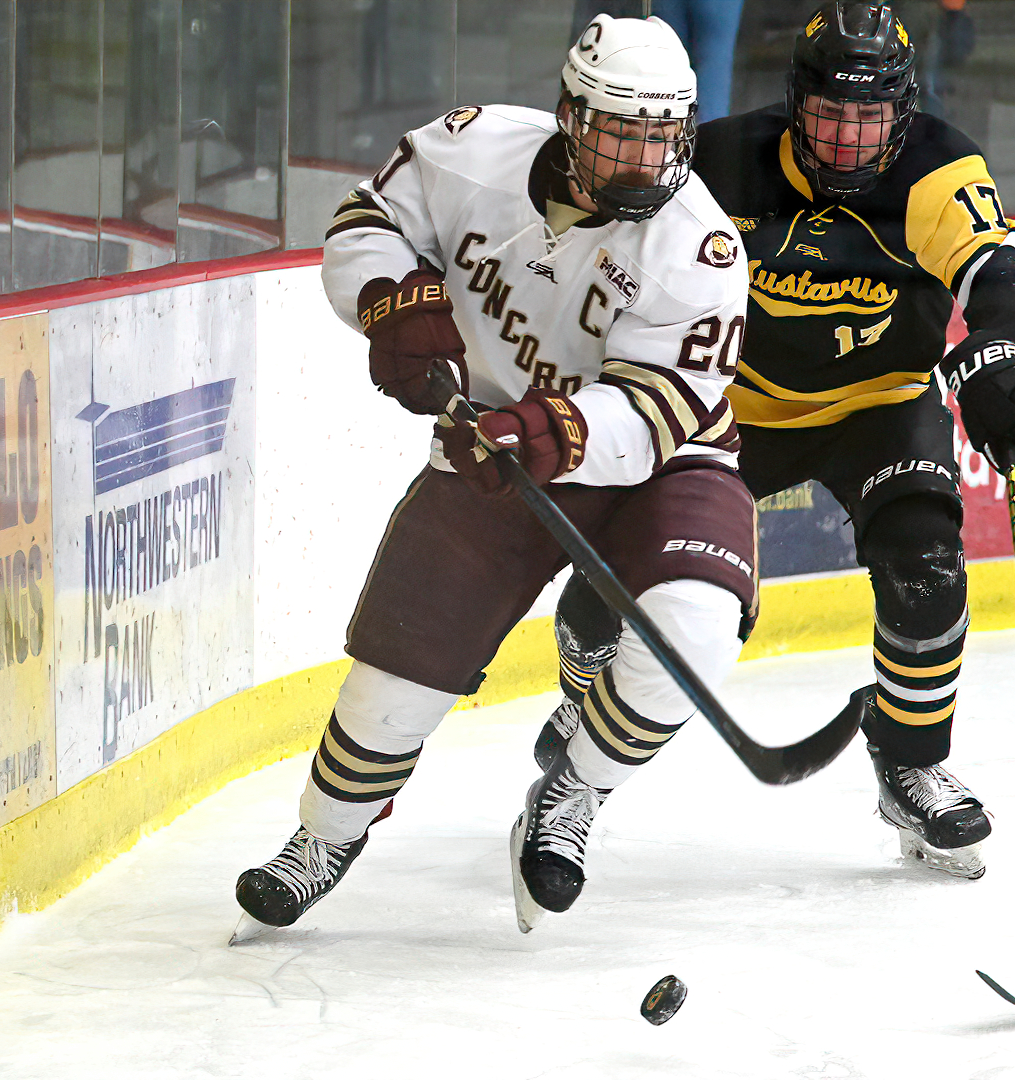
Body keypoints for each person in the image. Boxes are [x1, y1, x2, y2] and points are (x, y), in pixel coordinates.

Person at [235, 15, 753, 933]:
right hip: (491, 447)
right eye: (619, 132)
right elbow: (366, 222)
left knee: (697, 629)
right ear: (569, 116)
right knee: (393, 685)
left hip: (660, 461)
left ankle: (575, 793)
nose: (643, 158)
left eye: (662, 135)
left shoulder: (699, 248)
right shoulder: (468, 149)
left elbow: (658, 409)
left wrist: (546, 429)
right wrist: (393, 303)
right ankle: (326, 835)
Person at [541, 0, 1015, 880]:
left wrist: (1009, 356)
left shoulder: (940, 170)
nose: (849, 138)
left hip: (880, 403)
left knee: (926, 565)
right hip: (732, 406)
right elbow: (616, 265)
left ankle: (912, 764)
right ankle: (582, 746)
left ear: (905, 108)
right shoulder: (723, 161)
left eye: (870, 116)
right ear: (794, 104)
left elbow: (1006, 273)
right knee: (616, 592)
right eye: (828, 115)